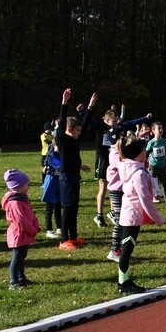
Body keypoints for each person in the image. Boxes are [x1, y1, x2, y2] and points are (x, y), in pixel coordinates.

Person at [115, 134, 165, 294]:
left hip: (129, 214)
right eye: (143, 150)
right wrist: (158, 219)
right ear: (137, 154)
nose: (146, 152)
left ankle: (124, 278)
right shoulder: (138, 174)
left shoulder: (132, 169)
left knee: (127, 247)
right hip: (132, 216)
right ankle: (123, 282)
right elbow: (145, 199)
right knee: (127, 248)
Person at [56, 88, 97, 250]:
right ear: (70, 130)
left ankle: (73, 236)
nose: (80, 133)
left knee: (74, 208)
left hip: (74, 177)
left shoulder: (75, 140)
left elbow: (85, 125)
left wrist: (90, 107)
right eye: (77, 130)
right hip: (65, 178)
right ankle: (64, 240)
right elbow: (61, 124)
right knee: (67, 209)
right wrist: (64, 102)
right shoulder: (63, 140)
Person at [2, 169, 40, 289]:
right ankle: (14, 282)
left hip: (24, 234)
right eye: (27, 185)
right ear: (18, 187)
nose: (28, 187)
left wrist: (36, 225)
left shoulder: (22, 199)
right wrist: (32, 230)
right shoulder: (15, 202)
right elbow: (21, 220)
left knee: (22, 257)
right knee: (17, 258)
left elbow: (30, 215)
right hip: (18, 234)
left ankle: (21, 278)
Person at [146, 121, 166, 207]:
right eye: (159, 128)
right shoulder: (151, 143)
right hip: (153, 166)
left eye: (162, 128)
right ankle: (152, 199)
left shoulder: (164, 142)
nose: (161, 130)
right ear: (153, 131)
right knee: (153, 183)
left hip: (162, 166)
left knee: (164, 184)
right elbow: (146, 154)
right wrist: (146, 165)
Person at [40, 150, 63, 239]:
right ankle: (49, 230)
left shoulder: (62, 153)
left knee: (58, 205)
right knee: (49, 206)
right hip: (51, 182)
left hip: (59, 181)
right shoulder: (52, 155)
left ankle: (59, 228)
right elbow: (60, 166)